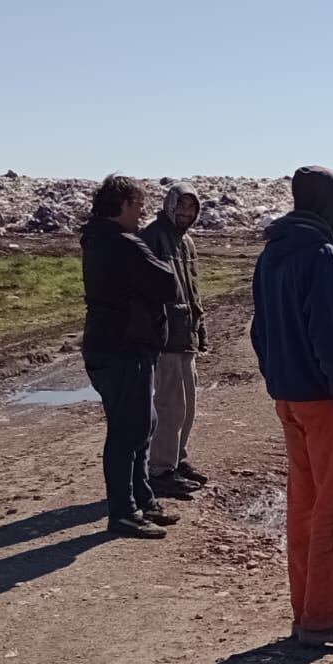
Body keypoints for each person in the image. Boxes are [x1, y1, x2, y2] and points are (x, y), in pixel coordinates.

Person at [251, 166, 333, 649]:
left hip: (289, 401)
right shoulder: (323, 256)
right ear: (331, 206)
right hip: (325, 404)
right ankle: (323, 620)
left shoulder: (271, 254)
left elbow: (259, 335)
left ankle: (306, 607)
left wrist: (280, 381)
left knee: (303, 508)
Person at [80, 174, 183, 539]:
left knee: (143, 424)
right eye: (138, 206)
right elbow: (168, 285)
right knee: (129, 431)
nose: (142, 214)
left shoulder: (98, 240)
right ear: (121, 205)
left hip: (114, 346)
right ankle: (123, 511)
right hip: (123, 348)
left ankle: (142, 498)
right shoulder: (121, 244)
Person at [140, 182, 210, 499]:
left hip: (186, 337)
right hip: (165, 338)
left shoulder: (187, 243)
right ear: (169, 205)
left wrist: (200, 327)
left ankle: (177, 460)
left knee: (188, 406)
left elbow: (193, 292)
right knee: (169, 407)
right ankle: (160, 470)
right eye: (181, 206)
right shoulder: (151, 238)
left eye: (191, 208)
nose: (186, 213)